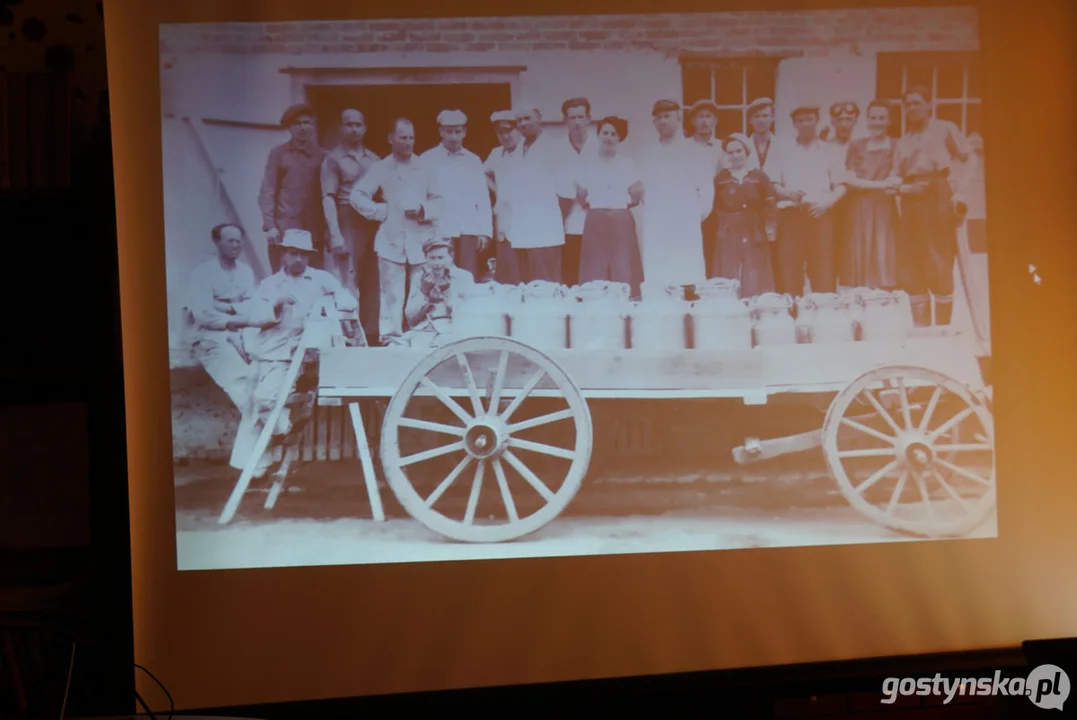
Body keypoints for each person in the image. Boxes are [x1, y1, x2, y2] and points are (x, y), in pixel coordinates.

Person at [236, 229, 359, 481]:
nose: (299, 259)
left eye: (303, 254)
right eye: (294, 254)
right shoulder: (270, 284)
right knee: (263, 402)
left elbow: (348, 301)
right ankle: (276, 441)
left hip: (312, 351)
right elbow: (254, 318)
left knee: (284, 401)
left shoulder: (321, 279)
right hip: (277, 351)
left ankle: (274, 446)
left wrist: (340, 299)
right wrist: (276, 303)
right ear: (283, 254)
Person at [349, 117, 442, 344]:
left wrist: (423, 210)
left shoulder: (424, 167)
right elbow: (357, 195)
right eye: (402, 137)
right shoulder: (381, 168)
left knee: (420, 294)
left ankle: (420, 337)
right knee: (391, 295)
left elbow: (440, 200)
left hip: (421, 241)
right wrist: (381, 211)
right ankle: (391, 339)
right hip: (391, 241)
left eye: (411, 137)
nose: (408, 142)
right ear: (391, 139)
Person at [889, 86, 974, 326]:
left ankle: (943, 328)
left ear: (929, 105)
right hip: (909, 197)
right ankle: (922, 330)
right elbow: (896, 173)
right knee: (911, 258)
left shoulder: (944, 128)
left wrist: (961, 192)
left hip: (936, 194)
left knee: (937, 256)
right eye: (908, 105)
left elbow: (970, 159)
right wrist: (893, 185)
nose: (912, 108)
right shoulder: (904, 140)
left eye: (917, 103)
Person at [184, 223, 259, 474]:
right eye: (230, 241)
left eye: (239, 241)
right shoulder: (203, 273)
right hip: (209, 339)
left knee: (261, 387)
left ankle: (250, 462)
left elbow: (252, 307)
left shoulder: (246, 271)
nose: (236, 246)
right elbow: (204, 314)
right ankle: (254, 463)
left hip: (239, 334)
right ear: (217, 242)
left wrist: (225, 307)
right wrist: (235, 315)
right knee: (247, 393)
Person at [765, 104, 846, 296]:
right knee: (790, 269)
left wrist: (827, 203)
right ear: (794, 123)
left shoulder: (830, 150)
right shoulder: (781, 149)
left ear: (817, 121)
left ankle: (824, 314)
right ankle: (792, 315)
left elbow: (841, 185)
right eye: (800, 120)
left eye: (809, 119)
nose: (805, 124)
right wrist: (787, 193)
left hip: (820, 215)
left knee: (823, 269)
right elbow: (772, 183)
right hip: (791, 215)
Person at [637, 99, 714, 290]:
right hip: (658, 223)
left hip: (685, 222)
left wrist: (695, 216)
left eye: (667, 116)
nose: (663, 121)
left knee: (686, 271)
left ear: (678, 118)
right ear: (654, 122)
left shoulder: (693, 150)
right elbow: (643, 189)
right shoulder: (648, 153)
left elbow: (706, 188)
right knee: (659, 274)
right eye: (659, 117)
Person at [320, 108, 381, 345]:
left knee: (372, 280)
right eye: (348, 124)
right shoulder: (333, 159)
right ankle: (346, 337)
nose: (353, 129)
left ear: (365, 128)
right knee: (347, 280)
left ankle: (371, 335)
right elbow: (328, 197)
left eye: (358, 124)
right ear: (341, 128)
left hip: (371, 223)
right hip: (347, 220)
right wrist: (335, 234)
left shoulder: (375, 159)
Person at [497, 105, 574, 284]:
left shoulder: (555, 148)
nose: (523, 124)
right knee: (525, 285)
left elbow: (567, 194)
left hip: (545, 233)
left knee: (545, 285)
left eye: (527, 118)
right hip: (521, 232)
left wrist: (548, 219)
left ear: (539, 119)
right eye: (519, 120)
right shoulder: (517, 150)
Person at [574, 116, 644, 297]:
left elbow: (636, 193)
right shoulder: (587, 162)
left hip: (620, 219)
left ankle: (625, 304)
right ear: (598, 135)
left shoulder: (626, 163)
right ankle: (594, 301)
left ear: (620, 138)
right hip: (595, 218)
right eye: (605, 133)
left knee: (623, 266)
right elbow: (581, 195)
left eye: (614, 134)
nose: (608, 138)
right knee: (595, 266)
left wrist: (617, 206)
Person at [420, 109, 492, 282]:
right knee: (440, 278)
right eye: (449, 131)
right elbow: (421, 197)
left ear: (464, 132)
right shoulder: (426, 159)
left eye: (458, 131)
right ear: (441, 132)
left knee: (467, 277)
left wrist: (485, 232)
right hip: (440, 229)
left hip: (468, 228)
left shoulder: (473, 160)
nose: (453, 137)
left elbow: (482, 198)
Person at [257, 103, 326, 272]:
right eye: (297, 123)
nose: (302, 128)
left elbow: (328, 195)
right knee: (282, 277)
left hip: (313, 232)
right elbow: (267, 191)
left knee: (313, 279)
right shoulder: (278, 154)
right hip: (284, 229)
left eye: (307, 122)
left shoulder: (322, 156)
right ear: (289, 127)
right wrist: (270, 225)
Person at [841, 100, 900, 290]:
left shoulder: (896, 145)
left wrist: (882, 185)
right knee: (860, 250)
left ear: (890, 121)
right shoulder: (857, 145)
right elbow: (850, 179)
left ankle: (883, 296)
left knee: (883, 250)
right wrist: (882, 184)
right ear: (867, 121)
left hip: (884, 207)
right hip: (859, 206)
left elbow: (897, 178)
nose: (877, 122)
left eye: (882, 118)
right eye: (873, 118)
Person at [710, 134, 777, 297]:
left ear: (746, 152)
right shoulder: (721, 179)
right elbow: (717, 206)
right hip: (729, 228)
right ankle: (730, 306)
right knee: (728, 268)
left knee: (753, 269)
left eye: (738, 151)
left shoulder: (759, 177)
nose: (735, 156)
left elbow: (769, 204)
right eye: (730, 152)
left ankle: (754, 303)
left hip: (753, 228)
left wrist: (769, 228)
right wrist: (723, 227)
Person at [394, 238, 477, 347]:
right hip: (423, 329)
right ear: (425, 259)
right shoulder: (419, 278)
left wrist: (446, 291)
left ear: (451, 256)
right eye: (432, 258)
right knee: (394, 348)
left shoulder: (464, 277)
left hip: (450, 331)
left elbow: (467, 315)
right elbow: (411, 318)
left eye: (441, 258)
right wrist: (424, 293)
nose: (437, 263)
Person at [559, 97, 598, 288]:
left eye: (581, 117)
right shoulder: (556, 150)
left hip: (597, 221)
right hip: (568, 222)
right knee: (571, 274)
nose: (577, 122)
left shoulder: (601, 146)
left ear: (589, 119)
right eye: (572, 118)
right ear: (566, 120)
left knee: (596, 275)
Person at [685, 99, 725, 274]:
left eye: (708, 116)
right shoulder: (684, 147)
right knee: (690, 249)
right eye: (700, 117)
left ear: (715, 120)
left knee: (714, 250)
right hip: (690, 205)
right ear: (693, 120)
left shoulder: (723, 147)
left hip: (718, 205)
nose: (704, 121)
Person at [484, 109, 522, 284]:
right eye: (501, 133)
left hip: (525, 219)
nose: (505, 137)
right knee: (506, 270)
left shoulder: (526, 150)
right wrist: (497, 190)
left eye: (509, 131)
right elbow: (482, 174)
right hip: (504, 218)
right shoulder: (496, 153)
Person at [747, 97, 776, 170]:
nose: (761, 120)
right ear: (750, 120)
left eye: (765, 116)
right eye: (757, 116)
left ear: (772, 118)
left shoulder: (783, 146)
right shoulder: (742, 147)